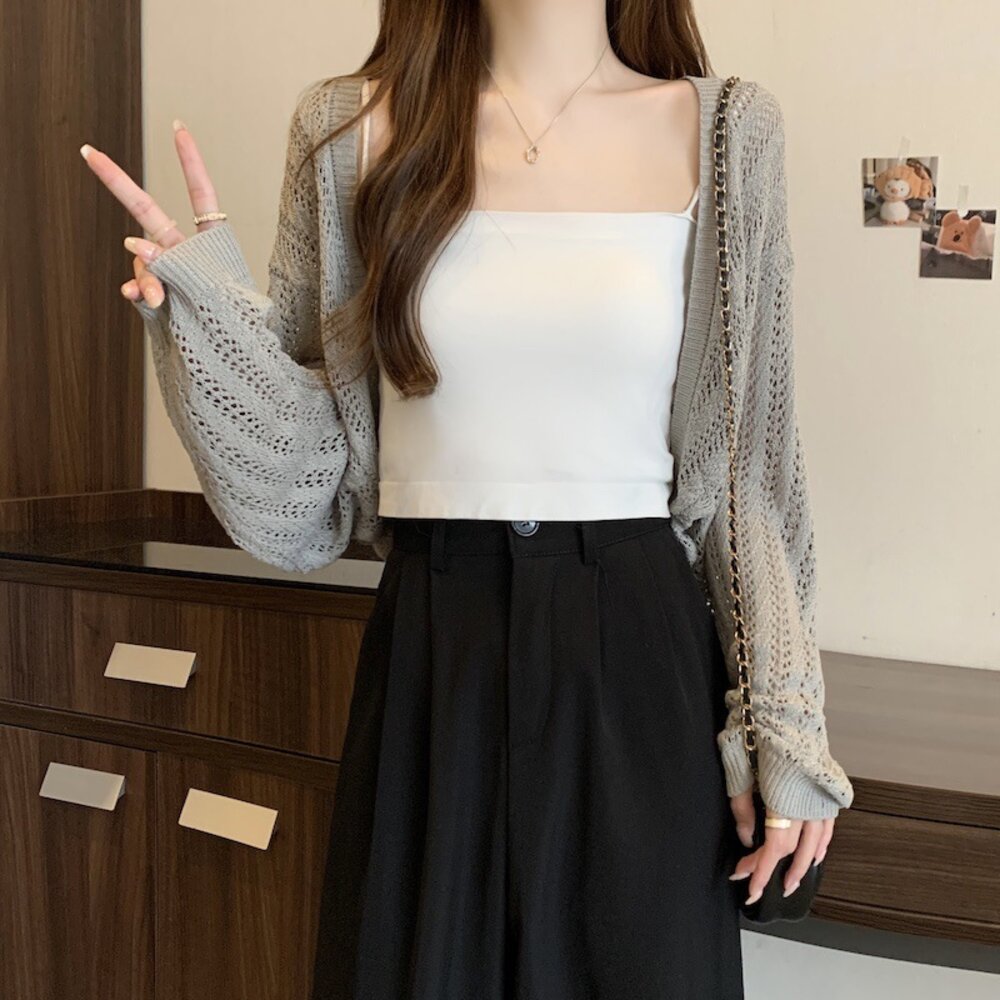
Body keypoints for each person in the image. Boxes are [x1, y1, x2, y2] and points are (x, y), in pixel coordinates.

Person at [81, 1, 855, 996]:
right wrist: (210, 322)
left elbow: (749, 471)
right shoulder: (346, 130)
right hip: (434, 645)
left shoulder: (727, 132)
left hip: (637, 653)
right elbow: (305, 495)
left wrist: (785, 723)